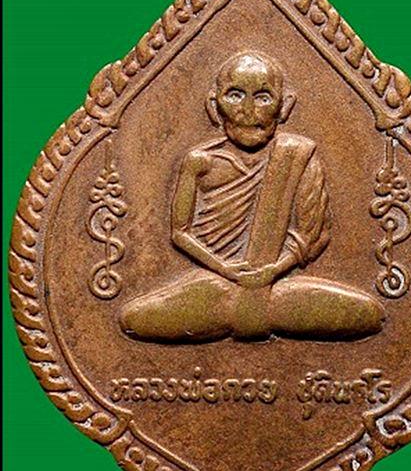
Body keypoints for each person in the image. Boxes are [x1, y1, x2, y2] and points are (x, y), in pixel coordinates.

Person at [119, 52, 385, 341]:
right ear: (214, 106)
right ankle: (246, 312)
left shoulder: (298, 155)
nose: (248, 111)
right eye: (235, 96)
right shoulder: (199, 161)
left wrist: (271, 271)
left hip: (276, 286)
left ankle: (250, 313)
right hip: (212, 284)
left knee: (368, 314)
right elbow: (179, 233)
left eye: (263, 97)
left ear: (284, 106)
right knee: (134, 320)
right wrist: (226, 269)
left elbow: (311, 235)